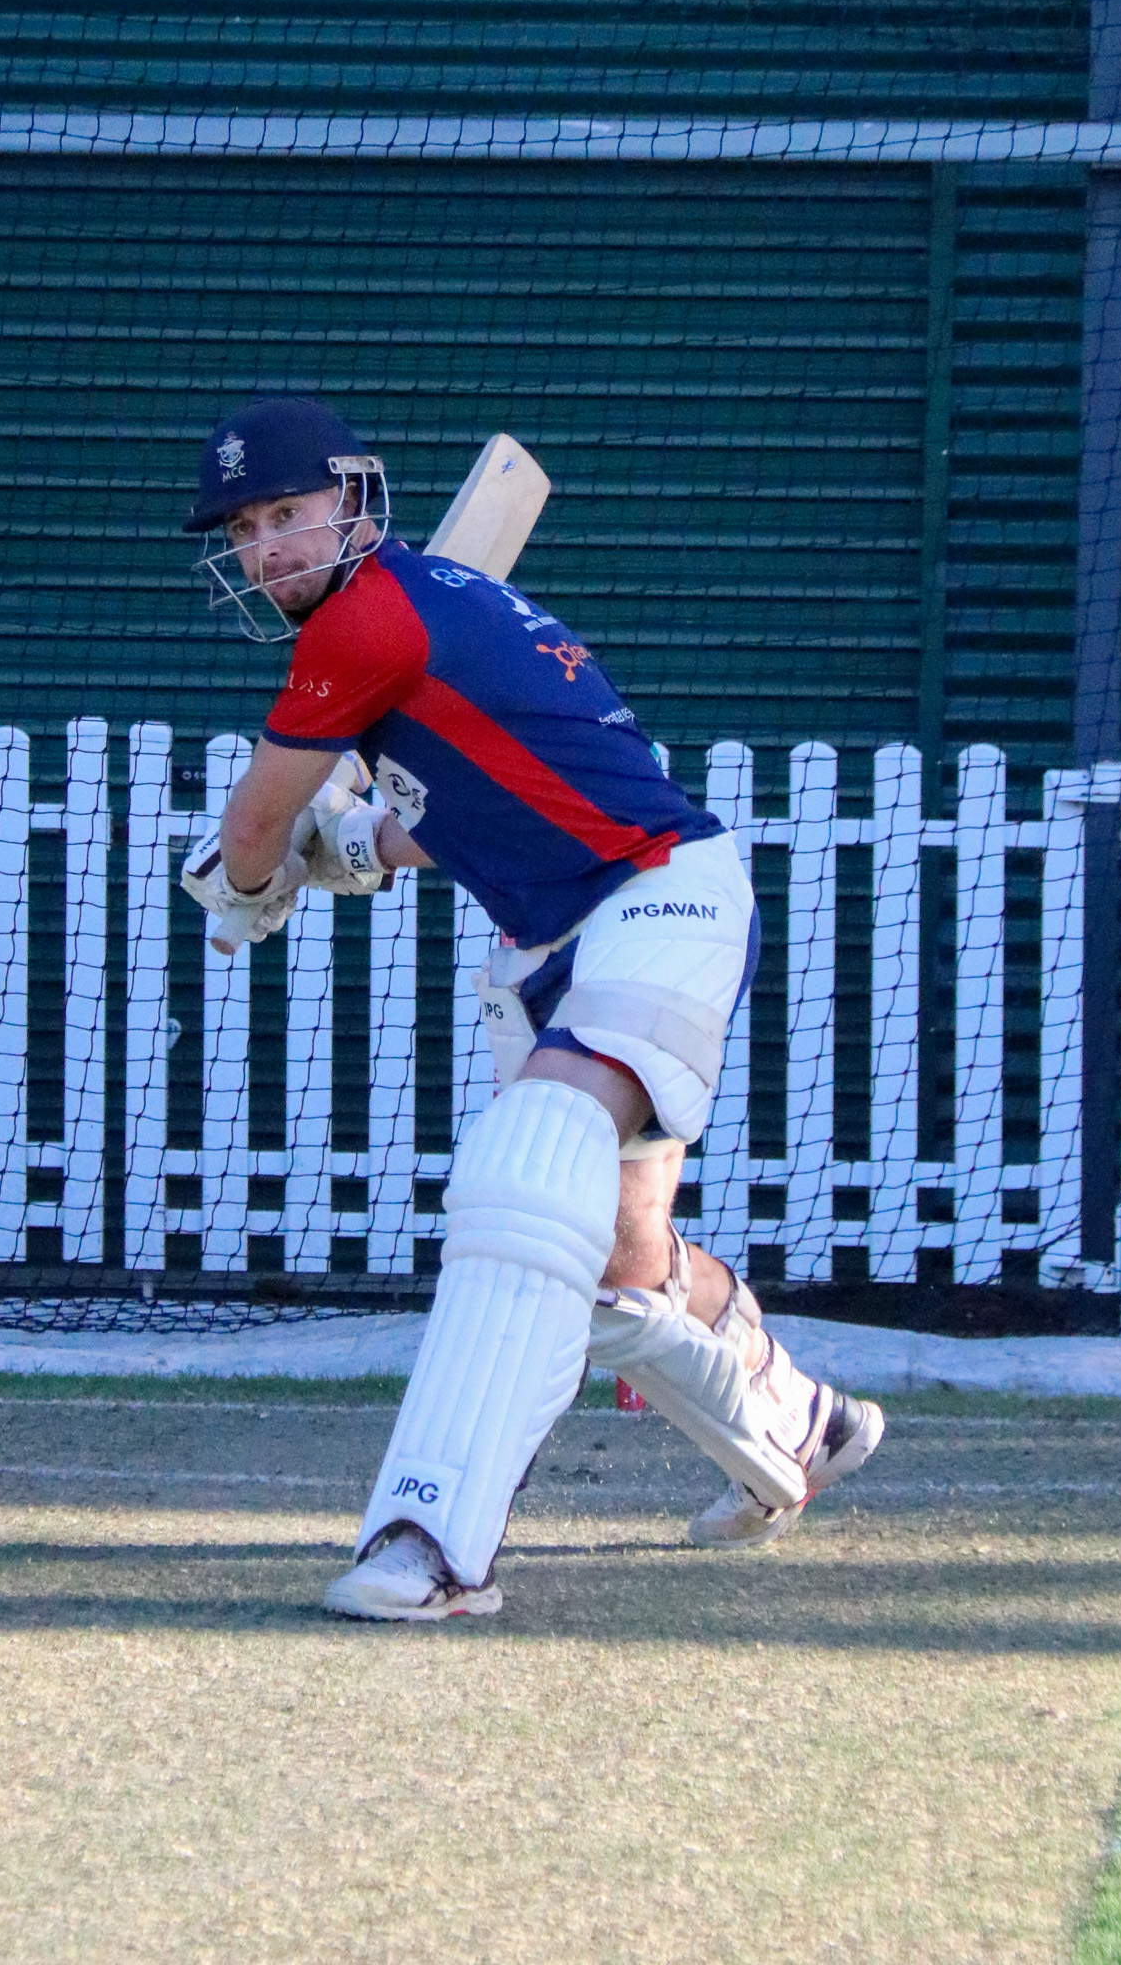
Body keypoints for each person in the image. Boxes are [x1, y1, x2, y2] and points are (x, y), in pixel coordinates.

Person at [178, 397, 885, 1622]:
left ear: (352, 502)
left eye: (286, 514)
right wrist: (353, 846)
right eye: (244, 530)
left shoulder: (368, 621)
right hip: (545, 935)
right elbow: (467, 801)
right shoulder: (421, 613)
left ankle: (430, 1542)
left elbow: (248, 829)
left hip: (660, 895)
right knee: (616, 1271)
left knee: (522, 1169)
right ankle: (797, 1423)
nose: (267, 550)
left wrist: (249, 891)